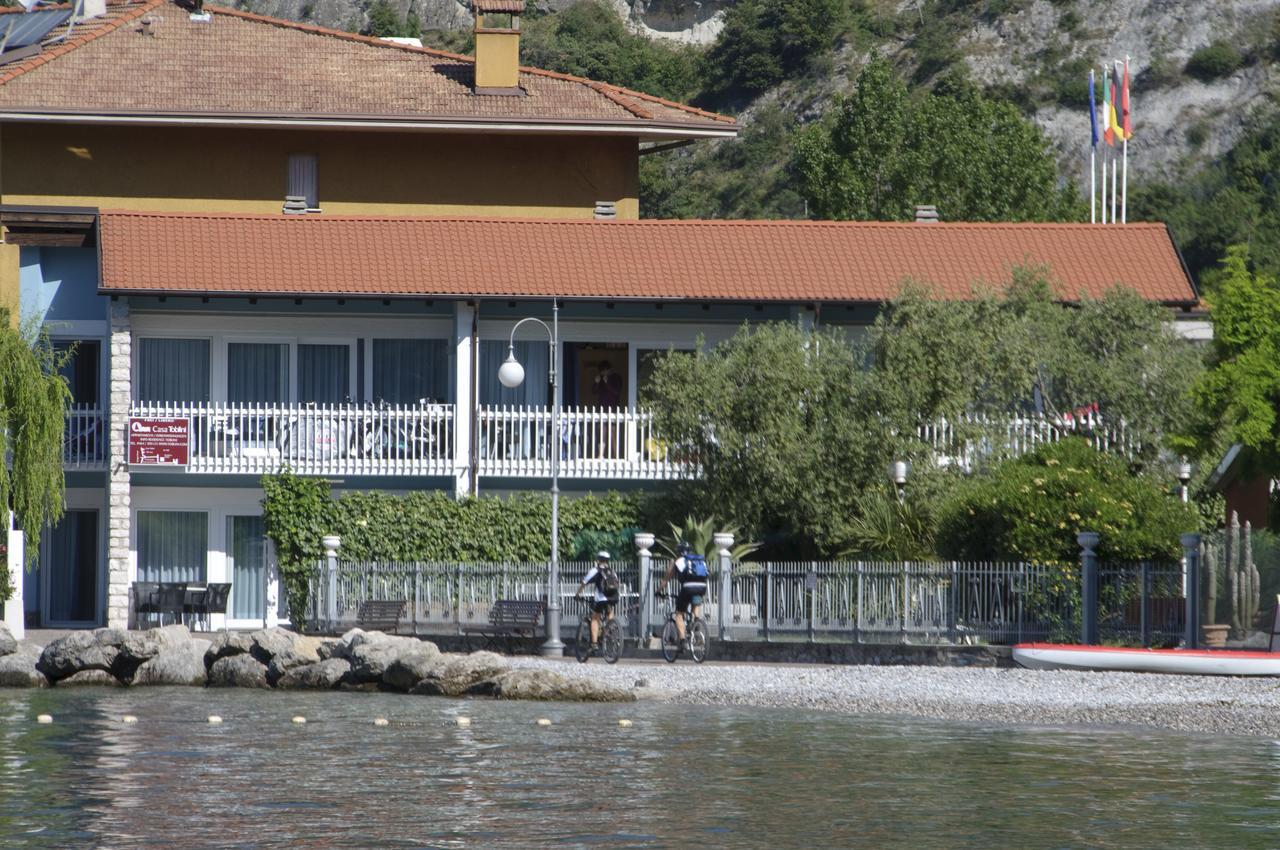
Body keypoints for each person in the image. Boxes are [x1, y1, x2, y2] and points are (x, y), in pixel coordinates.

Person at [659, 541, 706, 649]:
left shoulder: (678, 561)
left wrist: (659, 590)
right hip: (702, 586)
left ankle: (682, 640)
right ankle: (696, 624)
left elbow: (666, 579)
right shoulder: (698, 560)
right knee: (696, 604)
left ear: (678, 551)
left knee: (679, 614)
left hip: (688, 587)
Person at [576, 550, 618, 651]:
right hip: (613, 597)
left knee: (595, 619)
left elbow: (584, 582)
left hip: (601, 598)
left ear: (598, 559)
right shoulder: (612, 571)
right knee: (609, 612)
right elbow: (617, 583)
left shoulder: (595, 570)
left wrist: (577, 594)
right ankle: (610, 631)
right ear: (608, 560)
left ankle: (594, 643)